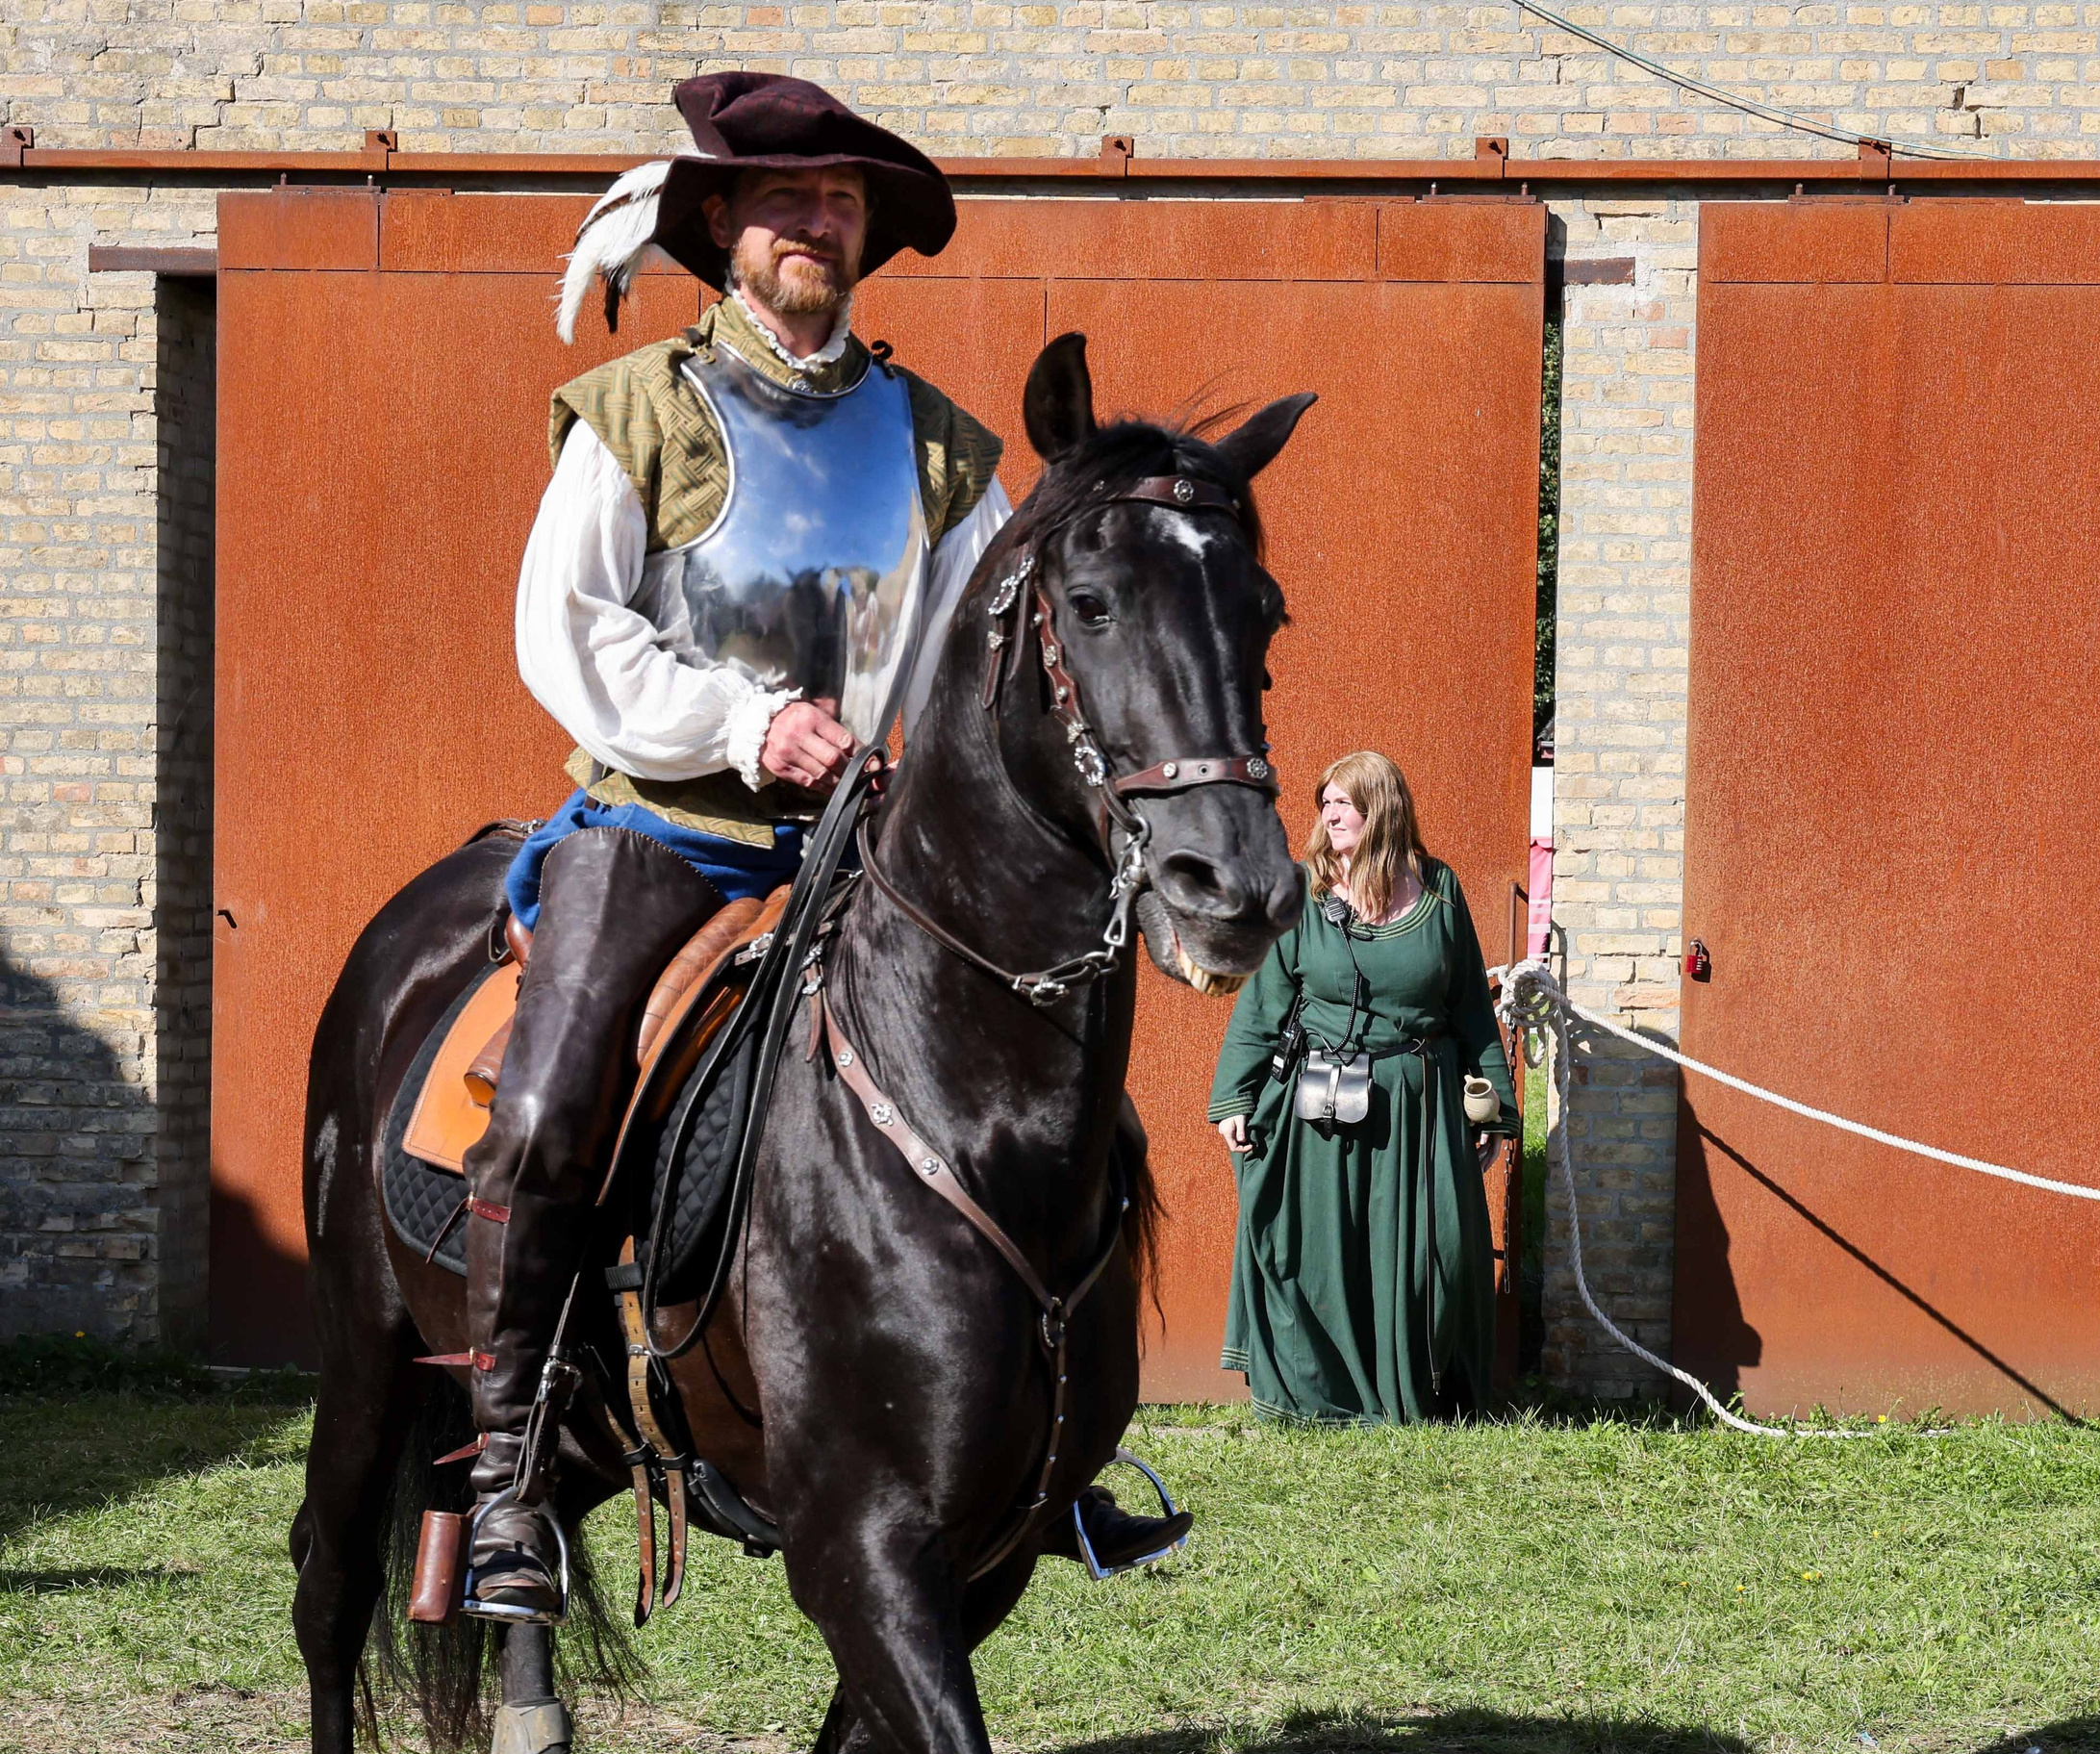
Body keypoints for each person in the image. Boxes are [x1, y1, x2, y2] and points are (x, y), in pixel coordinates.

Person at [462, 69, 1181, 1620]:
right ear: (720, 225)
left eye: (841, 205)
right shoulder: (643, 408)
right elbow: (563, 629)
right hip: (670, 833)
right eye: (788, 202)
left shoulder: (934, 446)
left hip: (867, 848)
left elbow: (999, 640)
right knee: (550, 1090)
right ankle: (514, 1461)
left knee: (1058, 1101)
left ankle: (1053, 1447)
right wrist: (742, 726)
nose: (817, 227)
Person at [1207, 750, 1521, 1422]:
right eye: (1326, 801)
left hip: (1417, 1105)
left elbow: (1471, 1009)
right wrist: (1235, 1096)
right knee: (1315, 1253)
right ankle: (1317, 1399)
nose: (1330, 813)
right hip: (1316, 1104)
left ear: (1382, 809)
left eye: (1345, 801)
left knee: (1432, 1257)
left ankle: (1422, 1393)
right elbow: (1262, 1004)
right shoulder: (1304, 892)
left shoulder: (1438, 891)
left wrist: (1494, 1110)